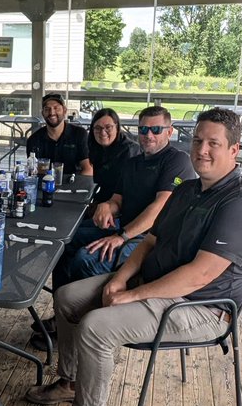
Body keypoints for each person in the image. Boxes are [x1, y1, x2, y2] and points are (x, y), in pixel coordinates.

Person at [25, 108, 242, 406]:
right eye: (198, 140)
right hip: (155, 284)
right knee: (66, 297)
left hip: (200, 307)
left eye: (213, 143)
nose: (201, 150)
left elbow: (199, 275)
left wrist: (132, 296)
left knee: (96, 326)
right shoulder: (189, 190)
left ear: (234, 149)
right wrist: (120, 279)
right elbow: (151, 241)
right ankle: (71, 381)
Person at [31, 105, 194, 349]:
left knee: (86, 259)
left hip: (151, 239)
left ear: (169, 132)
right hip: (122, 226)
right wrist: (107, 206)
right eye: (144, 129)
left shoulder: (176, 160)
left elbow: (159, 208)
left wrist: (122, 236)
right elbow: (118, 199)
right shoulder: (134, 161)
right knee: (63, 240)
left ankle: (82, 330)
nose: (149, 134)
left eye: (156, 129)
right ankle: (63, 318)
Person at [26, 93, 93, 176]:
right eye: (47, 109)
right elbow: (32, 172)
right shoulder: (34, 140)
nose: (52, 112)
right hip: (44, 186)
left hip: (74, 185)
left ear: (64, 111)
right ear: (43, 113)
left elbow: (88, 169)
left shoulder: (79, 134)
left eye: (56, 108)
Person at [86, 107, 140, 204]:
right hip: (103, 200)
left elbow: (126, 190)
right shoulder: (96, 147)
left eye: (108, 127)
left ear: (117, 127)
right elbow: (101, 184)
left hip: (122, 206)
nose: (103, 132)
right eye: (98, 128)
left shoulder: (129, 151)